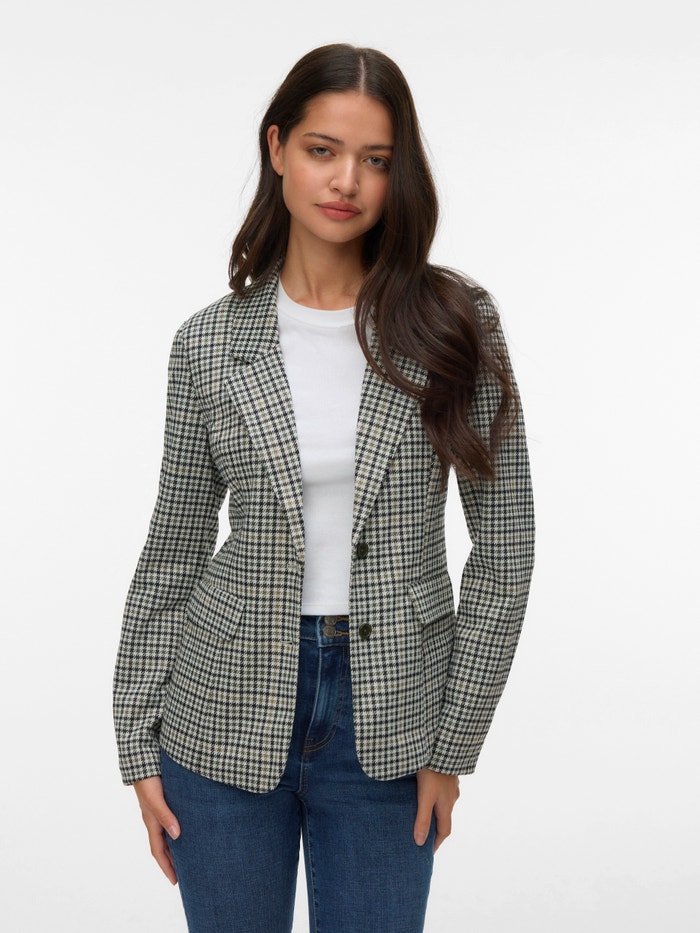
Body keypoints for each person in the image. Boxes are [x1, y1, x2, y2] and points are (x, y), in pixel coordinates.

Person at [113, 43, 535, 933]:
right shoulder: (208, 343)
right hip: (219, 705)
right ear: (277, 148)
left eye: (375, 159)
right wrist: (136, 740)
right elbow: (175, 545)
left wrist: (453, 741)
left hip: (395, 712)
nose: (347, 180)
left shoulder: (455, 323)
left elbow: (506, 549)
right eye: (322, 150)